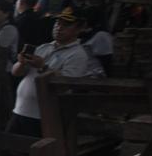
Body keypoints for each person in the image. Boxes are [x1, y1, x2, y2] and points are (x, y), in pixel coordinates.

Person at [7, 7, 91, 137]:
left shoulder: (78, 55)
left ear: (79, 29)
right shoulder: (44, 47)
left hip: (43, 116)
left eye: (66, 25)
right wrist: (22, 62)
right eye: (57, 23)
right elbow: (16, 72)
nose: (59, 28)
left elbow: (67, 83)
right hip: (20, 109)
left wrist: (42, 66)